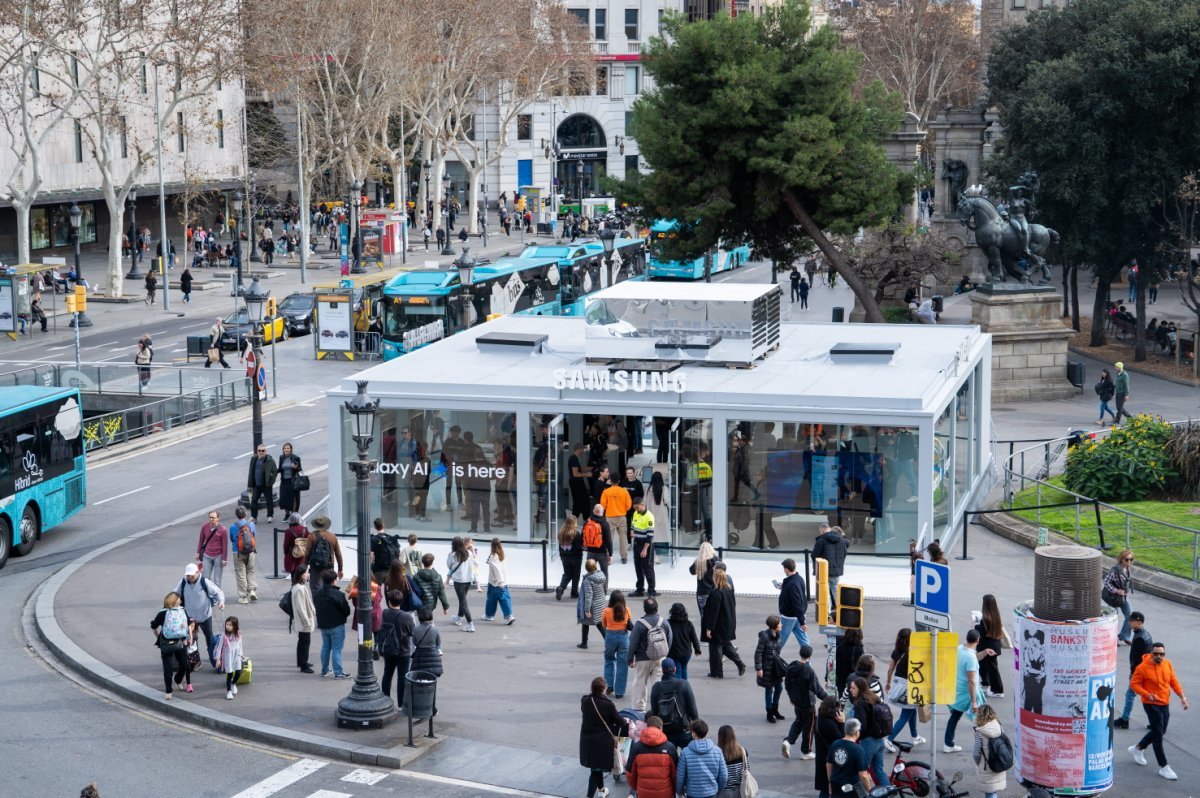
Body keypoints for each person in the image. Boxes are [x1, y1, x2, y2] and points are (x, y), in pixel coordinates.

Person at [1129, 641, 1189, 780]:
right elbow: (1134, 684)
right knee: (1158, 735)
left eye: (1161, 654)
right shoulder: (1142, 668)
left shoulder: (1167, 664)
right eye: (1155, 654)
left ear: (1164, 654)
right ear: (1151, 654)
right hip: (1151, 704)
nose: (1159, 656)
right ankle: (1164, 767)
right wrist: (1146, 693)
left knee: (1160, 730)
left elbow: (1173, 681)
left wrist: (1182, 697)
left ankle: (1137, 748)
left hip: (1164, 702)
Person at [580, 675, 626, 798]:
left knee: (595, 767)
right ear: (603, 689)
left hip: (587, 740)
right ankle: (589, 796)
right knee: (596, 769)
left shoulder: (585, 700)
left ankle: (601, 790)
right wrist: (626, 722)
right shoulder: (608, 705)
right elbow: (619, 720)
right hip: (601, 742)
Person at [783, 643, 827, 760]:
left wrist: (791, 697)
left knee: (798, 721)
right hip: (808, 703)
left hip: (797, 702)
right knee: (809, 727)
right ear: (810, 656)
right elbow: (817, 689)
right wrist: (829, 699)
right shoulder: (808, 670)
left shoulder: (792, 666)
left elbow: (787, 683)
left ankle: (788, 741)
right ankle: (806, 751)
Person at [176, 562, 225, 668]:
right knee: (192, 640)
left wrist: (221, 601)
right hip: (190, 617)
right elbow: (175, 594)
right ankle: (196, 661)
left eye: (191, 575)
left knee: (209, 638)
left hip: (205, 615)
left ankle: (213, 657)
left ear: (197, 573)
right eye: (188, 575)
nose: (190, 577)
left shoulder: (205, 582)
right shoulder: (183, 582)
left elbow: (218, 592)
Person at [629, 596, 673, 712]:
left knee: (640, 682)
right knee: (657, 682)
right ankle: (660, 707)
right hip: (660, 658)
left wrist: (630, 658)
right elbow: (669, 639)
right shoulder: (664, 622)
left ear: (644, 609)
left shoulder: (639, 624)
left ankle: (639, 708)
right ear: (657, 608)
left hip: (643, 658)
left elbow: (633, 642)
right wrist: (664, 653)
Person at [884, 627, 925, 751]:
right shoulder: (914, 651)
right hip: (910, 685)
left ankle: (915, 736)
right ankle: (889, 739)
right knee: (905, 714)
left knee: (911, 709)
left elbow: (890, 669)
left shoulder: (896, 651)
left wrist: (888, 682)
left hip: (898, 682)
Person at [943, 629, 984, 753]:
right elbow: (972, 681)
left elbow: (973, 657)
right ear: (978, 640)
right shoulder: (970, 657)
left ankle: (948, 743)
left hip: (957, 690)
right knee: (980, 718)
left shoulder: (960, 649)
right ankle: (983, 745)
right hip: (966, 694)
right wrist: (973, 702)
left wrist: (985, 652)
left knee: (955, 716)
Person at [701, 569, 744, 678]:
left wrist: (709, 628)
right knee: (725, 645)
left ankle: (717, 672)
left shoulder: (716, 593)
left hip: (718, 626)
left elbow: (713, 612)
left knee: (715, 649)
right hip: (727, 624)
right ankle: (739, 662)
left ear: (716, 578)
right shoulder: (728, 590)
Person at [651, 658, 701, 749]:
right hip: (684, 728)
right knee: (688, 757)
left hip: (666, 730)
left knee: (670, 759)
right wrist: (697, 727)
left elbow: (654, 711)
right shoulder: (683, 684)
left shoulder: (656, 687)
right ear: (675, 669)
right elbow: (692, 709)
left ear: (662, 670)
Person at [1115, 611, 1153, 729]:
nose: (1129, 622)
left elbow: (1137, 659)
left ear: (1139, 622)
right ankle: (1156, 721)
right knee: (1147, 696)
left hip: (1139, 672)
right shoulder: (1145, 634)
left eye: (1132, 621)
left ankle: (1124, 720)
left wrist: (1133, 673)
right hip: (1147, 671)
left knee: (1130, 695)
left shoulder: (1139, 638)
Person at [149, 592, 190, 701]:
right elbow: (154, 625)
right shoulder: (163, 612)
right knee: (168, 669)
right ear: (174, 600)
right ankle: (168, 690)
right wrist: (159, 638)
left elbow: (188, 623)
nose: (180, 600)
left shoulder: (182, 610)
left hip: (181, 641)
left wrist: (187, 637)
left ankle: (178, 679)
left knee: (185, 664)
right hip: (167, 643)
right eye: (179, 599)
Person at [626, 715, 678, 798]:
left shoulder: (637, 747)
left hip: (643, 793)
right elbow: (675, 773)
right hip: (665, 793)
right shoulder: (670, 747)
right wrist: (674, 789)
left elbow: (630, 772)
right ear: (661, 728)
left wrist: (636, 787)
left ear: (647, 726)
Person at [313, 568, 351, 678]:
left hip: (323, 624)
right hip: (336, 625)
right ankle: (338, 672)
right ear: (334, 580)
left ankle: (325, 670)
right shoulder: (338, 594)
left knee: (325, 647)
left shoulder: (318, 594)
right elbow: (346, 610)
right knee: (336, 649)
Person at [849, 676, 888, 786]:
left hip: (868, 742)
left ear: (860, 689)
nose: (850, 690)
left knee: (860, 772)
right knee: (879, 772)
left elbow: (862, 726)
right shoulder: (874, 697)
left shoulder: (860, 704)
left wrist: (856, 737)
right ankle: (889, 793)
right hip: (879, 740)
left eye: (853, 688)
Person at [380, 589, 415, 708]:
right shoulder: (407, 617)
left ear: (389, 601)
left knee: (387, 674)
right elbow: (412, 633)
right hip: (403, 650)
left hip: (389, 649)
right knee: (402, 677)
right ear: (401, 601)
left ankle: (385, 700)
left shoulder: (385, 613)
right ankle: (401, 703)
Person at [676, 719, 727, 798]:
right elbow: (724, 775)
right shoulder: (717, 751)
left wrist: (680, 791)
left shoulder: (685, 752)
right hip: (711, 793)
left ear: (693, 733)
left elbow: (680, 776)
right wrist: (718, 789)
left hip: (692, 793)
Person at [975, 594, 1011, 697]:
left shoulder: (986, 618)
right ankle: (986, 683)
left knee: (992, 668)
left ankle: (998, 690)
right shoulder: (995, 615)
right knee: (984, 666)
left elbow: (981, 632)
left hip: (988, 647)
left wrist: (975, 626)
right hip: (992, 646)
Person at [754, 614, 787, 724]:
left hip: (775, 667)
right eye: (779, 624)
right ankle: (769, 712)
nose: (781, 625)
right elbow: (758, 653)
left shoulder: (778, 634)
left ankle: (775, 709)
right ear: (775, 626)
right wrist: (759, 668)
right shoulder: (764, 636)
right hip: (767, 667)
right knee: (769, 690)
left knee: (779, 688)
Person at [827, 719, 872, 797]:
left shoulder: (835, 744)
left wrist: (830, 782)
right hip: (854, 786)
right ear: (857, 732)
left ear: (845, 730)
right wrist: (869, 791)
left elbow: (828, 765)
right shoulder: (858, 750)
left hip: (836, 783)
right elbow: (863, 775)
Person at [602, 590, 633, 698]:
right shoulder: (626, 609)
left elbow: (604, 624)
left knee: (609, 660)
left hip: (610, 637)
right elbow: (629, 622)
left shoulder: (606, 611)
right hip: (623, 638)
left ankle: (609, 685)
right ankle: (619, 692)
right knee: (622, 664)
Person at [812, 524, 848, 616]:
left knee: (826, 593)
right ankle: (841, 611)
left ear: (822, 531)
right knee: (836, 591)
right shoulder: (843, 541)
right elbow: (844, 555)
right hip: (837, 571)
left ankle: (826, 613)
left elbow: (814, 555)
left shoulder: (821, 541)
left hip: (824, 571)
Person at [775, 558, 809, 654]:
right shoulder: (799, 579)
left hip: (789, 617)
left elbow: (796, 603)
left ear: (786, 569)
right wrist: (784, 586)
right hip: (800, 615)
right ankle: (807, 659)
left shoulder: (791, 585)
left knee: (780, 640)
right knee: (803, 640)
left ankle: (772, 659)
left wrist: (802, 622)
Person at [972, 704, 1006, 798]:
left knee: (990, 792)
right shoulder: (999, 727)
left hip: (987, 766)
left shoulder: (980, 732)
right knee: (993, 791)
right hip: (999, 762)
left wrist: (978, 764)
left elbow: (975, 753)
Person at [814, 696, 845, 798]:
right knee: (828, 789)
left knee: (825, 788)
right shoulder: (829, 723)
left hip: (822, 757)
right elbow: (842, 739)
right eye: (839, 708)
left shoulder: (821, 718)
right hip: (829, 759)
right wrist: (842, 723)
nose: (840, 711)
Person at [446, 536, 477, 632]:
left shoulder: (453, 555)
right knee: (462, 600)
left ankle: (470, 624)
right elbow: (474, 563)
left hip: (459, 581)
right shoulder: (469, 553)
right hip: (468, 580)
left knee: (463, 602)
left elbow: (449, 566)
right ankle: (459, 617)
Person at [1104, 549, 1136, 643]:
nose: (1129, 561)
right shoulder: (1115, 571)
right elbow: (1106, 582)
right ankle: (1113, 639)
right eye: (1127, 559)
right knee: (1114, 617)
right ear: (1121, 559)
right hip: (1114, 598)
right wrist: (1116, 591)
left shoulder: (1127, 569)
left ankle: (1124, 636)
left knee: (1130, 616)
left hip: (1124, 597)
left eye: (1131, 559)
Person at [600, 473, 632, 563]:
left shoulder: (606, 492)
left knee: (608, 538)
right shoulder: (624, 491)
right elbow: (629, 505)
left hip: (610, 517)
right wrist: (622, 509)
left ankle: (608, 557)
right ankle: (624, 557)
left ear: (610, 480)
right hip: (622, 516)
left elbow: (603, 505)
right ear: (619, 481)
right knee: (623, 537)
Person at [666, 602, 703, 681]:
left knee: (677, 672)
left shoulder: (668, 623)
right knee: (684, 669)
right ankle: (685, 687)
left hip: (674, 653)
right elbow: (694, 638)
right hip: (686, 653)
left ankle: (679, 690)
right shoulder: (689, 624)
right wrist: (697, 649)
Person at [483, 537, 516, 624]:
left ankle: (490, 615)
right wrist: (502, 581)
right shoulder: (502, 554)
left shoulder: (493, 556)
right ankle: (508, 615)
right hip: (503, 582)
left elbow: (496, 569)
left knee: (491, 599)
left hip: (494, 582)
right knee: (505, 598)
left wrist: (500, 581)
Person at [228, 507, 257, 604]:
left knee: (241, 574)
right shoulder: (251, 524)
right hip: (250, 552)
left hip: (238, 552)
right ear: (245, 514)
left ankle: (243, 596)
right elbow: (254, 536)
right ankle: (252, 590)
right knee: (250, 571)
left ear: (236, 515)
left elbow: (232, 539)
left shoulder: (232, 526)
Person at [578, 558, 609, 649]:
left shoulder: (588, 580)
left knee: (590, 623)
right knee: (598, 623)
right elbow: (604, 589)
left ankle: (584, 643)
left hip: (593, 606)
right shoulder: (602, 575)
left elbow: (589, 595)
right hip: (601, 603)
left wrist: (587, 610)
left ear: (586, 568)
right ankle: (584, 642)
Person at [290, 565, 316, 673]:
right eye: (306, 573)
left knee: (302, 642)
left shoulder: (297, 586)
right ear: (301, 575)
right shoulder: (300, 589)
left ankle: (301, 661)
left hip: (302, 621)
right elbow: (301, 608)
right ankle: (303, 665)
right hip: (304, 622)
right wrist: (306, 621)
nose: (308, 574)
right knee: (305, 643)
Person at [630, 498, 657, 597]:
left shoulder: (649, 517)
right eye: (634, 507)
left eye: (637, 507)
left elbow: (650, 536)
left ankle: (651, 591)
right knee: (638, 567)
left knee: (648, 568)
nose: (636, 509)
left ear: (642, 505)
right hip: (637, 543)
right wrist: (632, 531)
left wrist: (645, 549)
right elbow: (632, 526)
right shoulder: (635, 513)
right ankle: (640, 589)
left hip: (646, 544)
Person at [195, 510, 228, 589]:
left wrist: (224, 559)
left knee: (217, 580)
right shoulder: (204, 527)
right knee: (206, 578)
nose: (211, 519)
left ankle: (217, 597)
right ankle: (208, 595)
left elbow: (225, 545)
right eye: (210, 517)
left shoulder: (223, 530)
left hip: (218, 556)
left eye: (213, 518)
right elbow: (201, 540)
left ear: (218, 519)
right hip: (207, 555)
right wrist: (198, 552)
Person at [246, 444, 278, 524]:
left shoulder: (269, 460)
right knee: (254, 501)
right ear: (257, 451)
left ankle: (270, 516)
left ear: (265, 451)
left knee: (269, 500)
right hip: (256, 485)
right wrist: (250, 484)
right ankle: (254, 517)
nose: (261, 452)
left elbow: (275, 471)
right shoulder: (254, 459)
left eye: (263, 450)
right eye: (259, 450)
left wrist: (271, 482)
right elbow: (251, 472)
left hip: (266, 485)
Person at [556, 515, 584, 601]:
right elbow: (579, 547)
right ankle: (574, 593)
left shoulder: (561, 533)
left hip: (565, 557)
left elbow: (560, 547)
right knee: (576, 575)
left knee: (567, 574)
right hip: (576, 558)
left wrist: (561, 556)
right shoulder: (576, 534)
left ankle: (561, 587)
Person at [410, 605, 444, 676]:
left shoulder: (416, 629)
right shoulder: (435, 629)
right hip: (434, 658)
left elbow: (415, 643)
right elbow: (438, 643)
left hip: (420, 657)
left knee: (419, 677)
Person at [216, 616, 245, 700]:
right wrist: (218, 659)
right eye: (227, 624)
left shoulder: (238, 634)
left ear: (235, 626)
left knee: (238, 672)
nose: (227, 626)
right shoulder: (224, 635)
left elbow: (240, 645)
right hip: (228, 656)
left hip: (237, 655)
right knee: (229, 673)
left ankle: (233, 683)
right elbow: (219, 647)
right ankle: (228, 691)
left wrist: (241, 654)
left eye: (230, 625)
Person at [583, 505, 613, 577]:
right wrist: (610, 554)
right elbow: (608, 540)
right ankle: (604, 588)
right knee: (604, 573)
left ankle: (590, 587)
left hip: (590, 551)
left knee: (590, 573)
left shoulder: (587, 521)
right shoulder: (605, 524)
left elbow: (582, 536)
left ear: (593, 511)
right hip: (602, 552)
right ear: (602, 512)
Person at [690, 541, 718, 616]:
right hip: (714, 591)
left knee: (703, 616)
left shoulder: (698, 562)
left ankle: (704, 627)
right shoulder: (716, 560)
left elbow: (691, 571)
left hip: (702, 592)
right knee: (714, 616)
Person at [834, 628, 864, 697]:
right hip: (854, 681)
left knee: (842, 700)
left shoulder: (840, 647)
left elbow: (837, 664)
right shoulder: (858, 649)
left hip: (841, 681)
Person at [277, 442, 304, 517]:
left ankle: (294, 515)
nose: (286, 449)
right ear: (283, 449)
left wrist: (296, 468)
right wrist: (272, 472)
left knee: (294, 498)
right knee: (283, 498)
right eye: (285, 448)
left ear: (291, 449)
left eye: (288, 448)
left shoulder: (296, 458)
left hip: (293, 481)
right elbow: (280, 468)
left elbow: (300, 469)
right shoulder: (281, 457)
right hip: (284, 481)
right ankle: (287, 514)